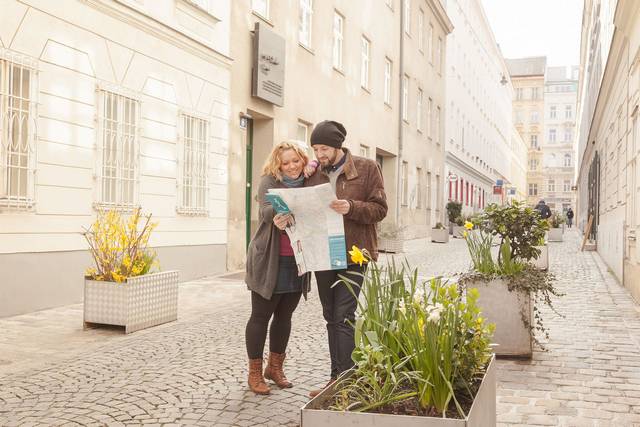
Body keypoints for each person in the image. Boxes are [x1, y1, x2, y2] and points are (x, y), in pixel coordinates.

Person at [305, 120, 388, 398]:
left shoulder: (366, 168)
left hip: (355, 252)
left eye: (324, 148)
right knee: (331, 316)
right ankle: (336, 378)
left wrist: (351, 207)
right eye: (316, 148)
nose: (320, 154)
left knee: (344, 315)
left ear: (338, 145)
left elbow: (380, 209)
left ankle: (346, 381)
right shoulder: (313, 174)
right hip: (323, 253)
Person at [244, 141, 319, 395]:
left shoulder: (310, 180)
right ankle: (255, 373)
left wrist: (314, 164)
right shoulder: (270, 180)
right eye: (285, 163)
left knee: (285, 316)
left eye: (295, 161)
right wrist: (275, 216)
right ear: (278, 164)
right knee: (260, 316)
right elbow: (264, 210)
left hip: (297, 261)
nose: (290, 167)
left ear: (302, 159)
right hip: (269, 260)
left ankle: (274, 368)